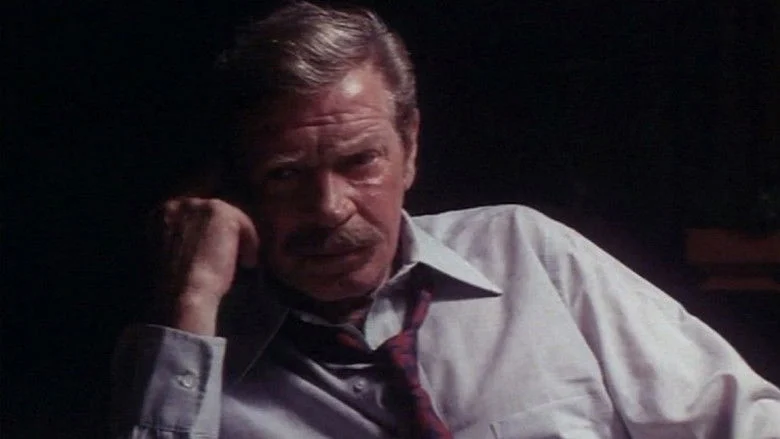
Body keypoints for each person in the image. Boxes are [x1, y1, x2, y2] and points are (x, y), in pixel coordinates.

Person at [110, 2, 780, 438]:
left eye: (360, 161)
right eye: (285, 174)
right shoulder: (191, 361)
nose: (330, 207)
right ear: (234, 185)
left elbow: (741, 420)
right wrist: (190, 304)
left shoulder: (524, 250)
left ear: (410, 148)